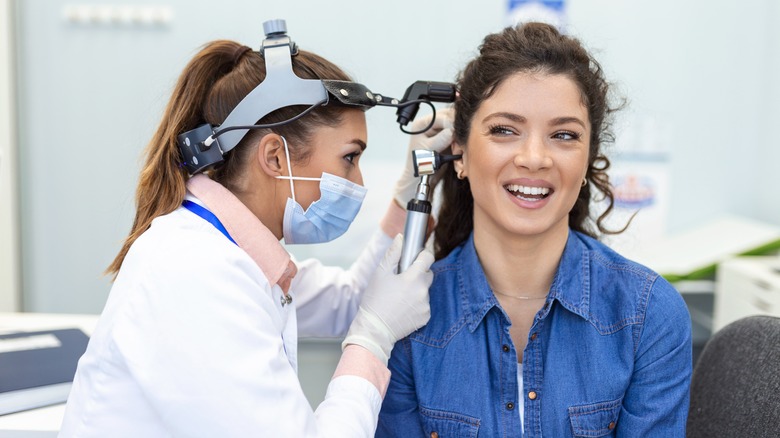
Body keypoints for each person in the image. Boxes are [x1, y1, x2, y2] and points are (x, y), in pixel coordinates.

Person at [59, 24, 453, 437]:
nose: (357, 182)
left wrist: (409, 190)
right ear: (275, 157)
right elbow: (368, 317)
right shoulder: (193, 271)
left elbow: (353, 300)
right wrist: (373, 338)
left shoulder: (235, 254)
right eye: (349, 158)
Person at [377, 22, 692, 437]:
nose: (534, 158)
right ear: (460, 154)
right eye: (504, 130)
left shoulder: (649, 316)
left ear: (587, 162)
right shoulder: (406, 317)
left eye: (563, 135)